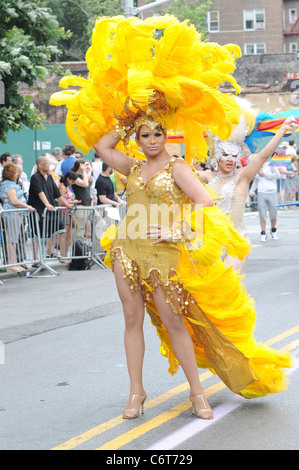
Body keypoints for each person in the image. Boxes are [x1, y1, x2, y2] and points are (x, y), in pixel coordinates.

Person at [51, 15, 292, 422]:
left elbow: (205, 204)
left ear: (166, 136)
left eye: (156, 134)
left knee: (174, 323)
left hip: (164, 251)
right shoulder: (128, 166)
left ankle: (197, 393)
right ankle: (136, 392)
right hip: (128, 249)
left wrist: (177, 229)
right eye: (143, 136)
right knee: (131, 321)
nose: (149, 142)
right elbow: (99, 144)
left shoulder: (178, 168)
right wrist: (131, 115)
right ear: (137, 139)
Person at [196, 114, 297, 272]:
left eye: (234, 155)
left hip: (236, 241)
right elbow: (182, 175)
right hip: (211, 242)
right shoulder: (207, 177)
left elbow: (262, 157)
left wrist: (282, 130)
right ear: (216, 157)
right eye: (225, 155)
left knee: (227, 282)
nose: (230, 159)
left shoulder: (241, 178)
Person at [28, 156, 73, 263]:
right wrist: (47, 204)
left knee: (61, 228)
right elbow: (40, 193)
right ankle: (36, 261)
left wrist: (67, 205)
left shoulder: (49, 176)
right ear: (39, 165)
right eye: (46, 163)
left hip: (50, 211)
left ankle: (60, 256)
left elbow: (57, 194)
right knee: (36, 235)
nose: (49, 165)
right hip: (38, 211)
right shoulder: (36, 177)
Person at [0, 163, 34, 272]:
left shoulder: (6, 183)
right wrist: (27, 206)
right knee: (12, 240)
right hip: (13, 214)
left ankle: (14, 262)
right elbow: (14, 201)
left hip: (13, 213)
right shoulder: (10, 185)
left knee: (13, 239)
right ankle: (12, 263)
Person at [250, 164, 281, 241]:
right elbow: (256, 181)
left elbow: (278, 176)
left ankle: (273, 230)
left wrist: (265, 174)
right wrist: (251, 191)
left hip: (272, 192)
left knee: (273, 214)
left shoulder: (271, 165)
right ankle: (263, 232)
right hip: (261, 193)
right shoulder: (257, 167)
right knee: (262, 214)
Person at [58, 171, 82, 262]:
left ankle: (65, 255)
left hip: (67, 211)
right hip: (64, 211)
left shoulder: (66, 187)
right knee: (65, 234)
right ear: (68, 179)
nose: (72, 183)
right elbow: (61, 202)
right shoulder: (62, 187)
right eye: (72, 181)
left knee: (68, 234)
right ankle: (63, 255)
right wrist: (73, 202)